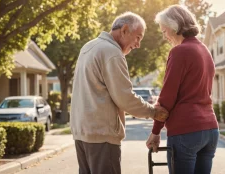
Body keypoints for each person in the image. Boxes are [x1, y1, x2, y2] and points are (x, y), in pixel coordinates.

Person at [71, 12, 169, 174]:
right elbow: (125, 98)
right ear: (124, 30)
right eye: (138, 37)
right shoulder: (112, 52)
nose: (138, 44)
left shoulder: (88, 47)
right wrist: (153, 112)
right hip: (102, 135)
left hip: (82, 133)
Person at [146, 5, 219, 174]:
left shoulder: (179, 52)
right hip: (210, 130)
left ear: (175, 26)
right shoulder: (204, 50)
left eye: (165, 31)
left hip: (186, 130)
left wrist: (156, 131)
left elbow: (167, 98)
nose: (165, 36)